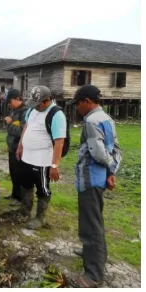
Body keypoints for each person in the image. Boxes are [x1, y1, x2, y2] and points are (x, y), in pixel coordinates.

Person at [66, 85, 122, 288]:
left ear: (86, 102)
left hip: (90, 178)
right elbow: (114, 148)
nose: (77, 109)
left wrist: (107, 168)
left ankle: (93, 274)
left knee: (91, 226)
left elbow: (98, 152)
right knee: (94, 219)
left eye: (78, 104)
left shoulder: (91, 120)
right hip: (100, 178)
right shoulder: (107, 119)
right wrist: (111, 172)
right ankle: (92, 253)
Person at [14, 85, 67, 230]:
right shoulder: (32, 110)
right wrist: (20, 146)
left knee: (42, 189)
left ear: (47, 100)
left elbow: (59, 142)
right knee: (25, 184)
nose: (35, 107)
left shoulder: (56, 115)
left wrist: (54, 166)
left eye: (38, 104)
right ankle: (24, 210)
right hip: (27, 157)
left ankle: (40, 218)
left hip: (42, 160)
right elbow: (26, 127)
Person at [3, 89, 29, 206]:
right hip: (12, 147)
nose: (9, 104)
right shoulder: (15, 111)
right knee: (13, 172)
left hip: (20, 148)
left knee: (19, 173)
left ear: (18, 99)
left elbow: (21, 131)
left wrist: (9, 123)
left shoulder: (25, 112)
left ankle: (20, 198)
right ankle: (14, 194)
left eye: (10, 101)